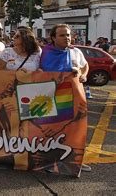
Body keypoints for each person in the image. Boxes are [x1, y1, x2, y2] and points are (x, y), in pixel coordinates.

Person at [39, 24, 91, 172]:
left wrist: (83, 74)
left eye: (68, 35)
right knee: (50, 130)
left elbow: (85, 65)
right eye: (62, 35)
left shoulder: (76, 52)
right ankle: (48, 162)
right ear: (53, 38)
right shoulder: (44, 53)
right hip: (49, 98)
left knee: (74, 129)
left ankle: (76, 161)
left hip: (73, 98)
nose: (67, 38)